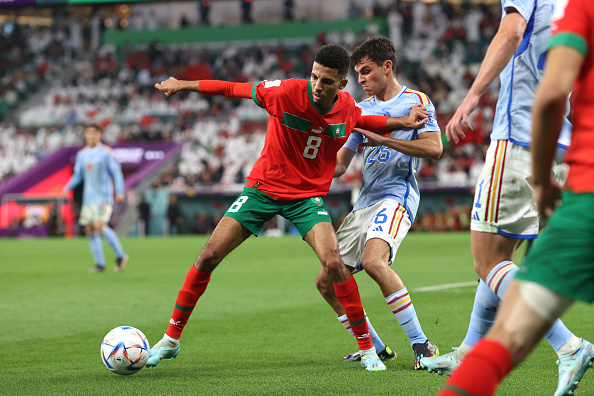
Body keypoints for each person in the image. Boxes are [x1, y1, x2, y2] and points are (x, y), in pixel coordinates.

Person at [147, 44, 429, 371]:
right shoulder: (284, 92)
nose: (317, 86)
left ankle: (368, 349)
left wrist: (403, 121)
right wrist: (182, 84)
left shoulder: (347, 108)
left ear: (341, 84)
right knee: (209, 255)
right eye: (314, 77)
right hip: (262, 189)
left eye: (326, 81)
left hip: (305, 196)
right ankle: (170, 339)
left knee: (333, 263)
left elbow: (369, 121)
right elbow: (230, 88)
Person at [419, 0, 593, 392]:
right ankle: (469, 347)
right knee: (506, 255)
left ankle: (569, 346)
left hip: (521, 137)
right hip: (567, 144)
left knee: (487, 260)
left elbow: (512, 31)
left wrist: (472, 95)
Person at [314, 36, 441, 369]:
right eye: (358, 74)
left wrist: (382, 138)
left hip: (397, 195)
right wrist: (313, 158)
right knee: (327, 280)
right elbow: (341, 164)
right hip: (365, 202)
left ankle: (422, 344)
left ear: (387, 66)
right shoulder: (360, 112)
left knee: (373, 262)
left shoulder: (416, 101)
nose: (361, 80)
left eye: (366, 71)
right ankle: (373, 345)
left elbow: (434, 149)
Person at [63, 124, 129, 273]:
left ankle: (121, 256)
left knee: (99, 226)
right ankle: (100, 264)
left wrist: (120, 191)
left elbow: (116, 172)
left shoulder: (106, 152)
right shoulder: (81, 155)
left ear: (100, 135)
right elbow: (78, 175)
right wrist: (67, 187)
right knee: (90, 229)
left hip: (103, 198)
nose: (92, 136)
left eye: (95, 133)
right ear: (85, 135)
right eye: (89, 133)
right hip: (88, 199)